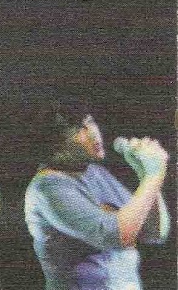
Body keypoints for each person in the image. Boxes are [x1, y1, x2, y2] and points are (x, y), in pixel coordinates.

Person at [23, 99, 170, 290]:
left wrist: (144, 174)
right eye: (79, 129)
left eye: (90, 121)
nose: (93, 132)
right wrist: (152, 176)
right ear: (55, 144)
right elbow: (118, 236)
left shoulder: (96, 173)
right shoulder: (47, 187)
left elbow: (154, 232)